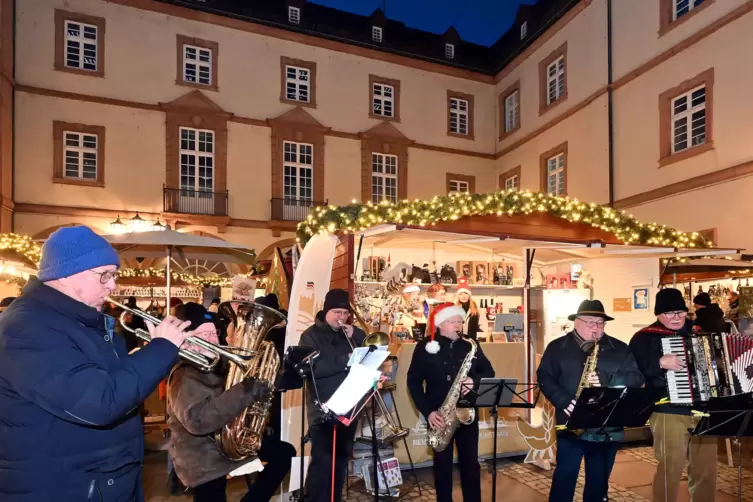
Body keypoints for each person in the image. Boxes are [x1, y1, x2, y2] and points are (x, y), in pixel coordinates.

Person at [0, 225, 191, 501]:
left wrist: (152, 350)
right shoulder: (27, 328)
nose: (112, 285)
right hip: (66, 487)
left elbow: (107, 379)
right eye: (104, 275)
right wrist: (162, 349)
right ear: (65, 273)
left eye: (113, 275)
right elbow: (100, 402)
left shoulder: (77, 320)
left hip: (98, 480)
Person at [167, 302, 294, 502]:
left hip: (225, 441)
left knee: (284, 453)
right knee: (212, 493)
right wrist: (245, 390)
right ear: (187, 342)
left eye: (213, 334)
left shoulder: (217, 363)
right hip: (202, 455)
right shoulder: (184, 375)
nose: (212, 340)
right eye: (203, 335)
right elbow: (198, 421)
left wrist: (274, 379)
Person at [537, 300, 644, 502]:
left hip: (606, 428)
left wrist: (606, 380)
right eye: (590, 322)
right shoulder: (557, 347)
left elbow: (636, 378)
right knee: (564, 478)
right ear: (576, 322)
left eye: (600, 323)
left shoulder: (620, 348)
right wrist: (563, 401)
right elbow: (544, 378)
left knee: (598, 483)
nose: (595, 327)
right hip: (569, 424)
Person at [629, 288, 717, 502]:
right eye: (669, 313)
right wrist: (659, 363)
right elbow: (631, 372)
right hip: (667, 410)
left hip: (704, 410)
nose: (676, 318)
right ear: (658, 314)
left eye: (680, 312)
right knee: (671, 467)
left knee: (706, 470)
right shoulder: (643, 338)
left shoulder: (700, 333)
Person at [407, 302, 494, 502]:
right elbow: (413, 381)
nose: (459, 325)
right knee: (442, 469)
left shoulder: (470, 344)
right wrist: (428, 411)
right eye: (453, 321)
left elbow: (488, 371)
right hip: (439, 416)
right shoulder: (425, 347)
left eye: (460, 321)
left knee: (471, 466)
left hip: (466, 413)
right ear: (440, 324)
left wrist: (475, 381)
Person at [299, 289, 367, 502]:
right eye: (337, 311)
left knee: (341, 459)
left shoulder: (349, 333)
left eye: (345, 313)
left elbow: (367, 350)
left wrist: (355, 334)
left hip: (349, 405)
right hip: (323, 408)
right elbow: (314, 368)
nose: (341, 317)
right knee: (323, 460)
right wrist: (346, 360)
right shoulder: (310, 335)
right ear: (326, 310)